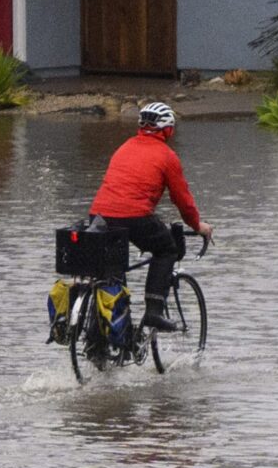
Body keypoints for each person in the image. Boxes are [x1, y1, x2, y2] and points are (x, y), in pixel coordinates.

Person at [88, 100, 212, 331]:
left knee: (111, 273)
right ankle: (153, 312)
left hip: (98, 216)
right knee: (166, 249)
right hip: (134, 216)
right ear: (168, 130)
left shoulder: (124, 146)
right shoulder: (167, 156)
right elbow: (183, 201)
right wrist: (197, 225)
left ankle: (109, 339)